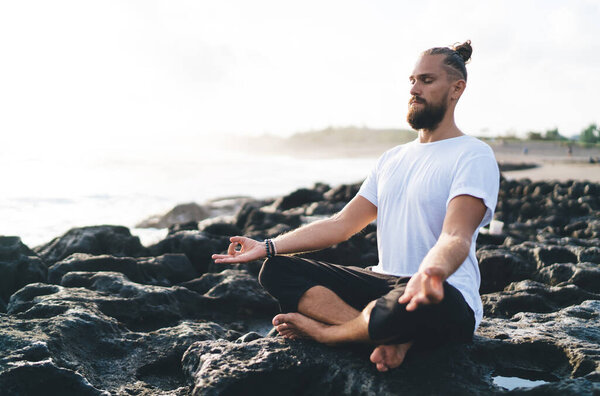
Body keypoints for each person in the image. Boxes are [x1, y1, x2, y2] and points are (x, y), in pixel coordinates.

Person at [212, 40, 500, 372]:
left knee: (421, 299)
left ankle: (330, 334)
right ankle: (384, 337)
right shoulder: (393, 157)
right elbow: (342, 224)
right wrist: (266, 246)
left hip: (440, 293)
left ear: (456, 88)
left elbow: (455, 235)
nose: (414, 89)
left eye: (427, 80)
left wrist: (431, 272)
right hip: (384, 286)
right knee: (277, 268)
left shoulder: (473, 154)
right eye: (412, 80)